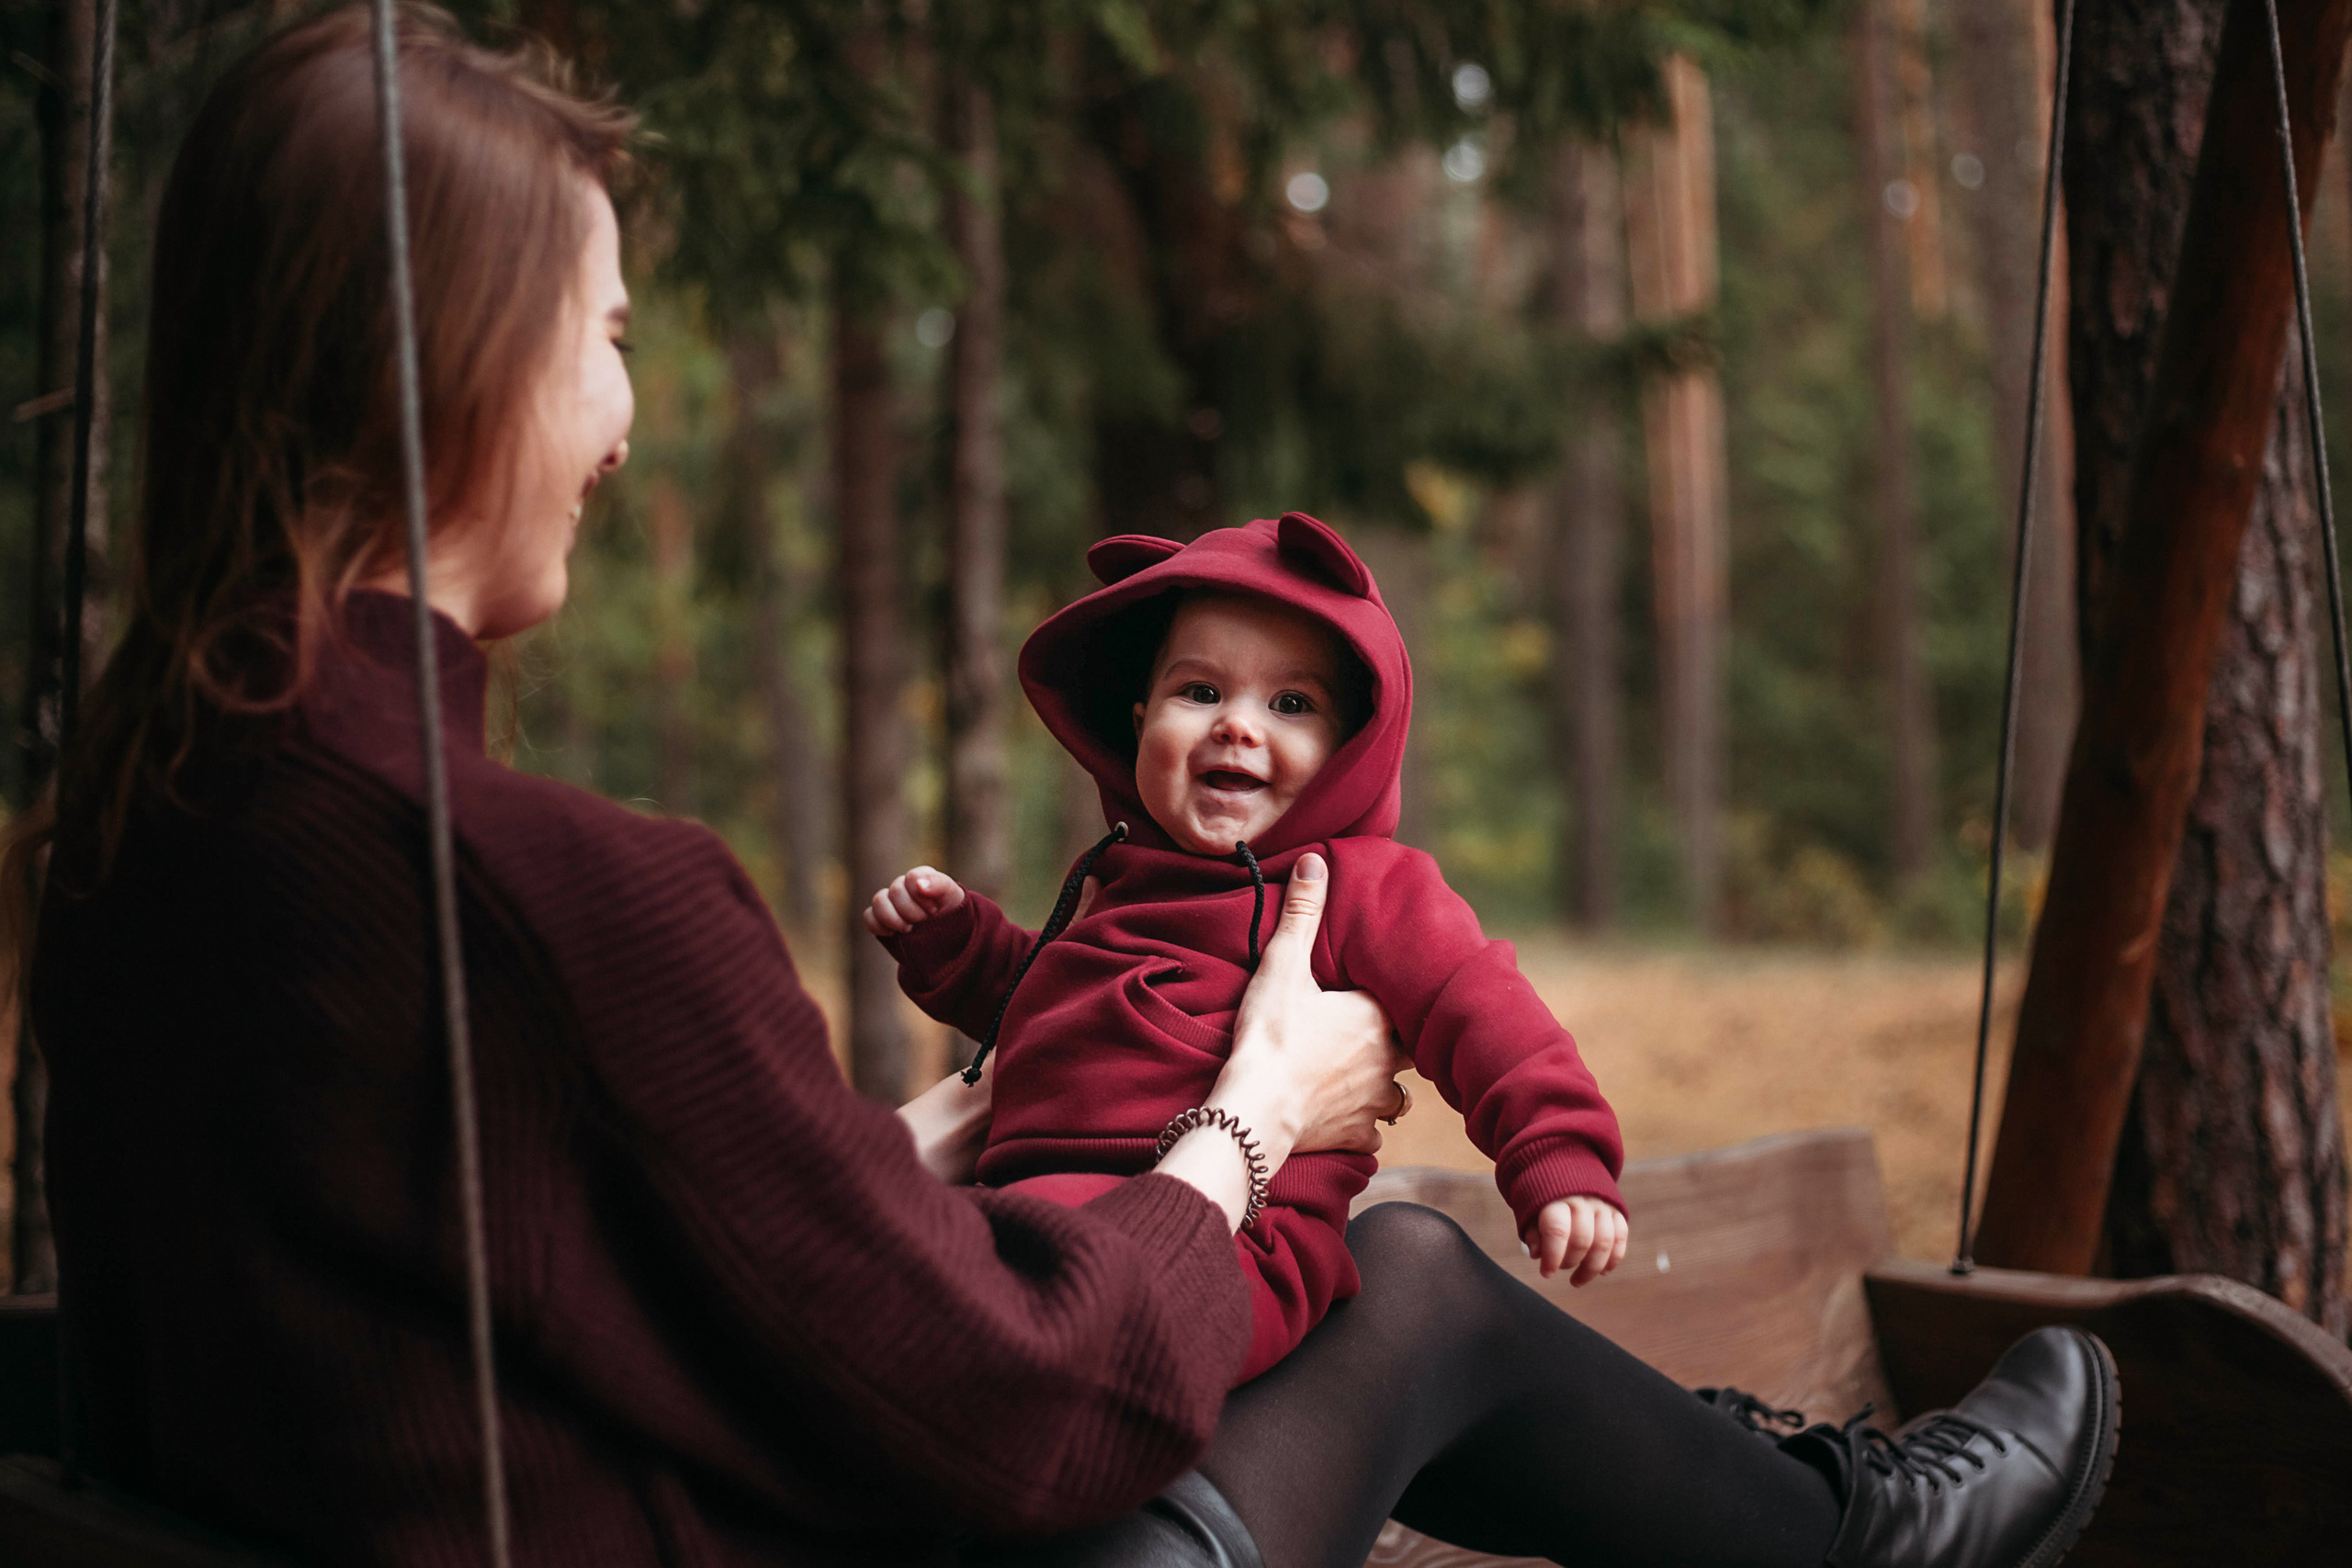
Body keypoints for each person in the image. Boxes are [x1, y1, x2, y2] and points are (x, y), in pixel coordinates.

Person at [5, 9, 2121, 1568]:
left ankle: (1836, 1520)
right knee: (1397, 1272)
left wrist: (914, 1133)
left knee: (1374, 1265)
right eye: (609, 332)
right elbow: (1026, 1410)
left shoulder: (136, 830)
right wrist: (1252, 1108)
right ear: (460, 357)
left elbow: (509, 1275)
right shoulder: (559, 887)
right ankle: (1857, 1531)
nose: (622, 423)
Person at [865, 516, 1630, 1384]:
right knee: (898, 1275)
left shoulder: (1354, 885)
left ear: (1349, 752)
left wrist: (1557, 1149)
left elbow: (1479, 1004)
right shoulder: (1124, 879)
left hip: (1239, 1238)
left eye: (1291, 704)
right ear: (1139, 723)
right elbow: (1058, 1014)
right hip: (1031, 1205)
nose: (1237, 725)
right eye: (1200, 691)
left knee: (979, 1284)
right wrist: (961, 949)